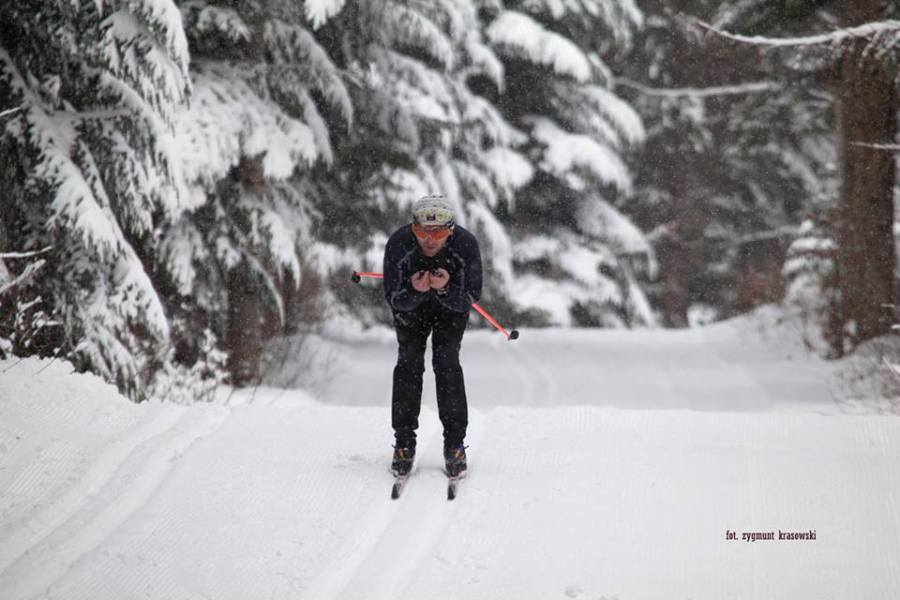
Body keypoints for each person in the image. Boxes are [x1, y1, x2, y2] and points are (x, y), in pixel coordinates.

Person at [382, 195, 482, 478]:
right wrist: (414, 291)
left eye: (437, 233)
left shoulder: (465, 244)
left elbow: (471, 296)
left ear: (450, 230)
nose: (429, 240)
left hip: (450, 309)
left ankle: (454, 443)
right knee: (409, 363)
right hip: (412, 310)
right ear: (413, 228)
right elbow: (393, 297)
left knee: (446, 362)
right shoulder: (399, 243)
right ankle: (403, 442)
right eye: (422, 232)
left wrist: (445, 289)